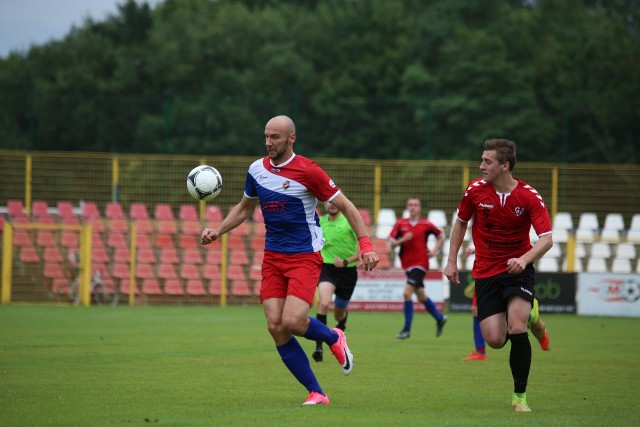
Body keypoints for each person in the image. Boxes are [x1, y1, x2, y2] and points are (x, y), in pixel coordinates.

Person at [201, 115, 379, 406]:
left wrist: (366, 245)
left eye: (275, 137)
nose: (269, 142)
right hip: (273, 257)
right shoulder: (256, 169)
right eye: (266, 136)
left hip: (304, 257)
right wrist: (217, 231)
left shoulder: (310, 171)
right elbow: (245, 208)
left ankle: (334, 338)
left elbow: (346, 206)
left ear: (291, 138)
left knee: (294, 321)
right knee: (275, 325)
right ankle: (317, 392)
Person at [444, 138, 553, 412]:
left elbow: (547, 239)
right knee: (494, 340)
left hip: (518, 271)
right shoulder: (475, 191)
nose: (481, 166)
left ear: (505, 166)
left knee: (517, 326)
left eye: (487, 162)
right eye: (482, 160)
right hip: (485, 271)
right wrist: (451, 260)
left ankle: (519, 398)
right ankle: (533, 313)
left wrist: (525, 258)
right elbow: (460, 224)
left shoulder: (528, 195)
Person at [463, 247, 550, 361]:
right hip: (485, 273)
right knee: (476, 309)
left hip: (508, 273)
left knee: (514, 314)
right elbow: (490, 238)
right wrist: (476, 249)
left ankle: (531, 317)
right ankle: (480, 351)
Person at [389, 197, 447, 339]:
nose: (413, 207)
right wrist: (402, 240)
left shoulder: (426, 224)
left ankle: (406, 330)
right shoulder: (400, 224)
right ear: (407, 208)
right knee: (421, 297)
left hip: (421, 264)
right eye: (410, 205)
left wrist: (434, 250)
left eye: (415, 205)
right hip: (407, 265)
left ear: (420, 208)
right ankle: (439, 318)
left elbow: (441, 235)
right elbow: (391, 245)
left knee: (407, 293)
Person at [311, 201, 360, 363]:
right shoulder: (321, 222)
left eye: (334, 202)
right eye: (328, 203)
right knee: (324, 304)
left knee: (339, 312)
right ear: (325, 205)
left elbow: (362, 249)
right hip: (327, 269)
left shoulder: (349, 222)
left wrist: (346, 261)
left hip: (347, 271)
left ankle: (341, 330)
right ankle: (319, 347)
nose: (332, 205)